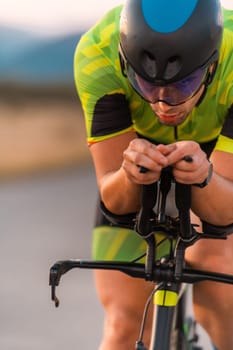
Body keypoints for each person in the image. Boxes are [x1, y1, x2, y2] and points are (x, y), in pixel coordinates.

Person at [74, 1, 233, 349]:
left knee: (221, 296)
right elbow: (114, 199)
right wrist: (129, 176)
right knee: (123, 325)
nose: (163, 103)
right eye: (145, 86)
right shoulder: (97, 52)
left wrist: (204, 175)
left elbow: (225, 212)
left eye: (184, 84)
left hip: (217, 168)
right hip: (137, 163)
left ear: (212, 66)